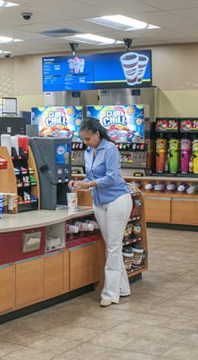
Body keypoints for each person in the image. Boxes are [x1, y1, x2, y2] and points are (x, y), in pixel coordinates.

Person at [70, 117, 132, 307]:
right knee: (112, 247)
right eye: (83, 139)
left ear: (97, 134)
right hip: (99, 201)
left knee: (112, 248)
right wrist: (79, 182)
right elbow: (92, 176)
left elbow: (112, 177)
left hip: (117, 200)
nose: (85, 143)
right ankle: (123, 287)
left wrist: (87, 184)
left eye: (88, 139)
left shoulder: (110, 148)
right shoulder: (89, 152)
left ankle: (111, 294)